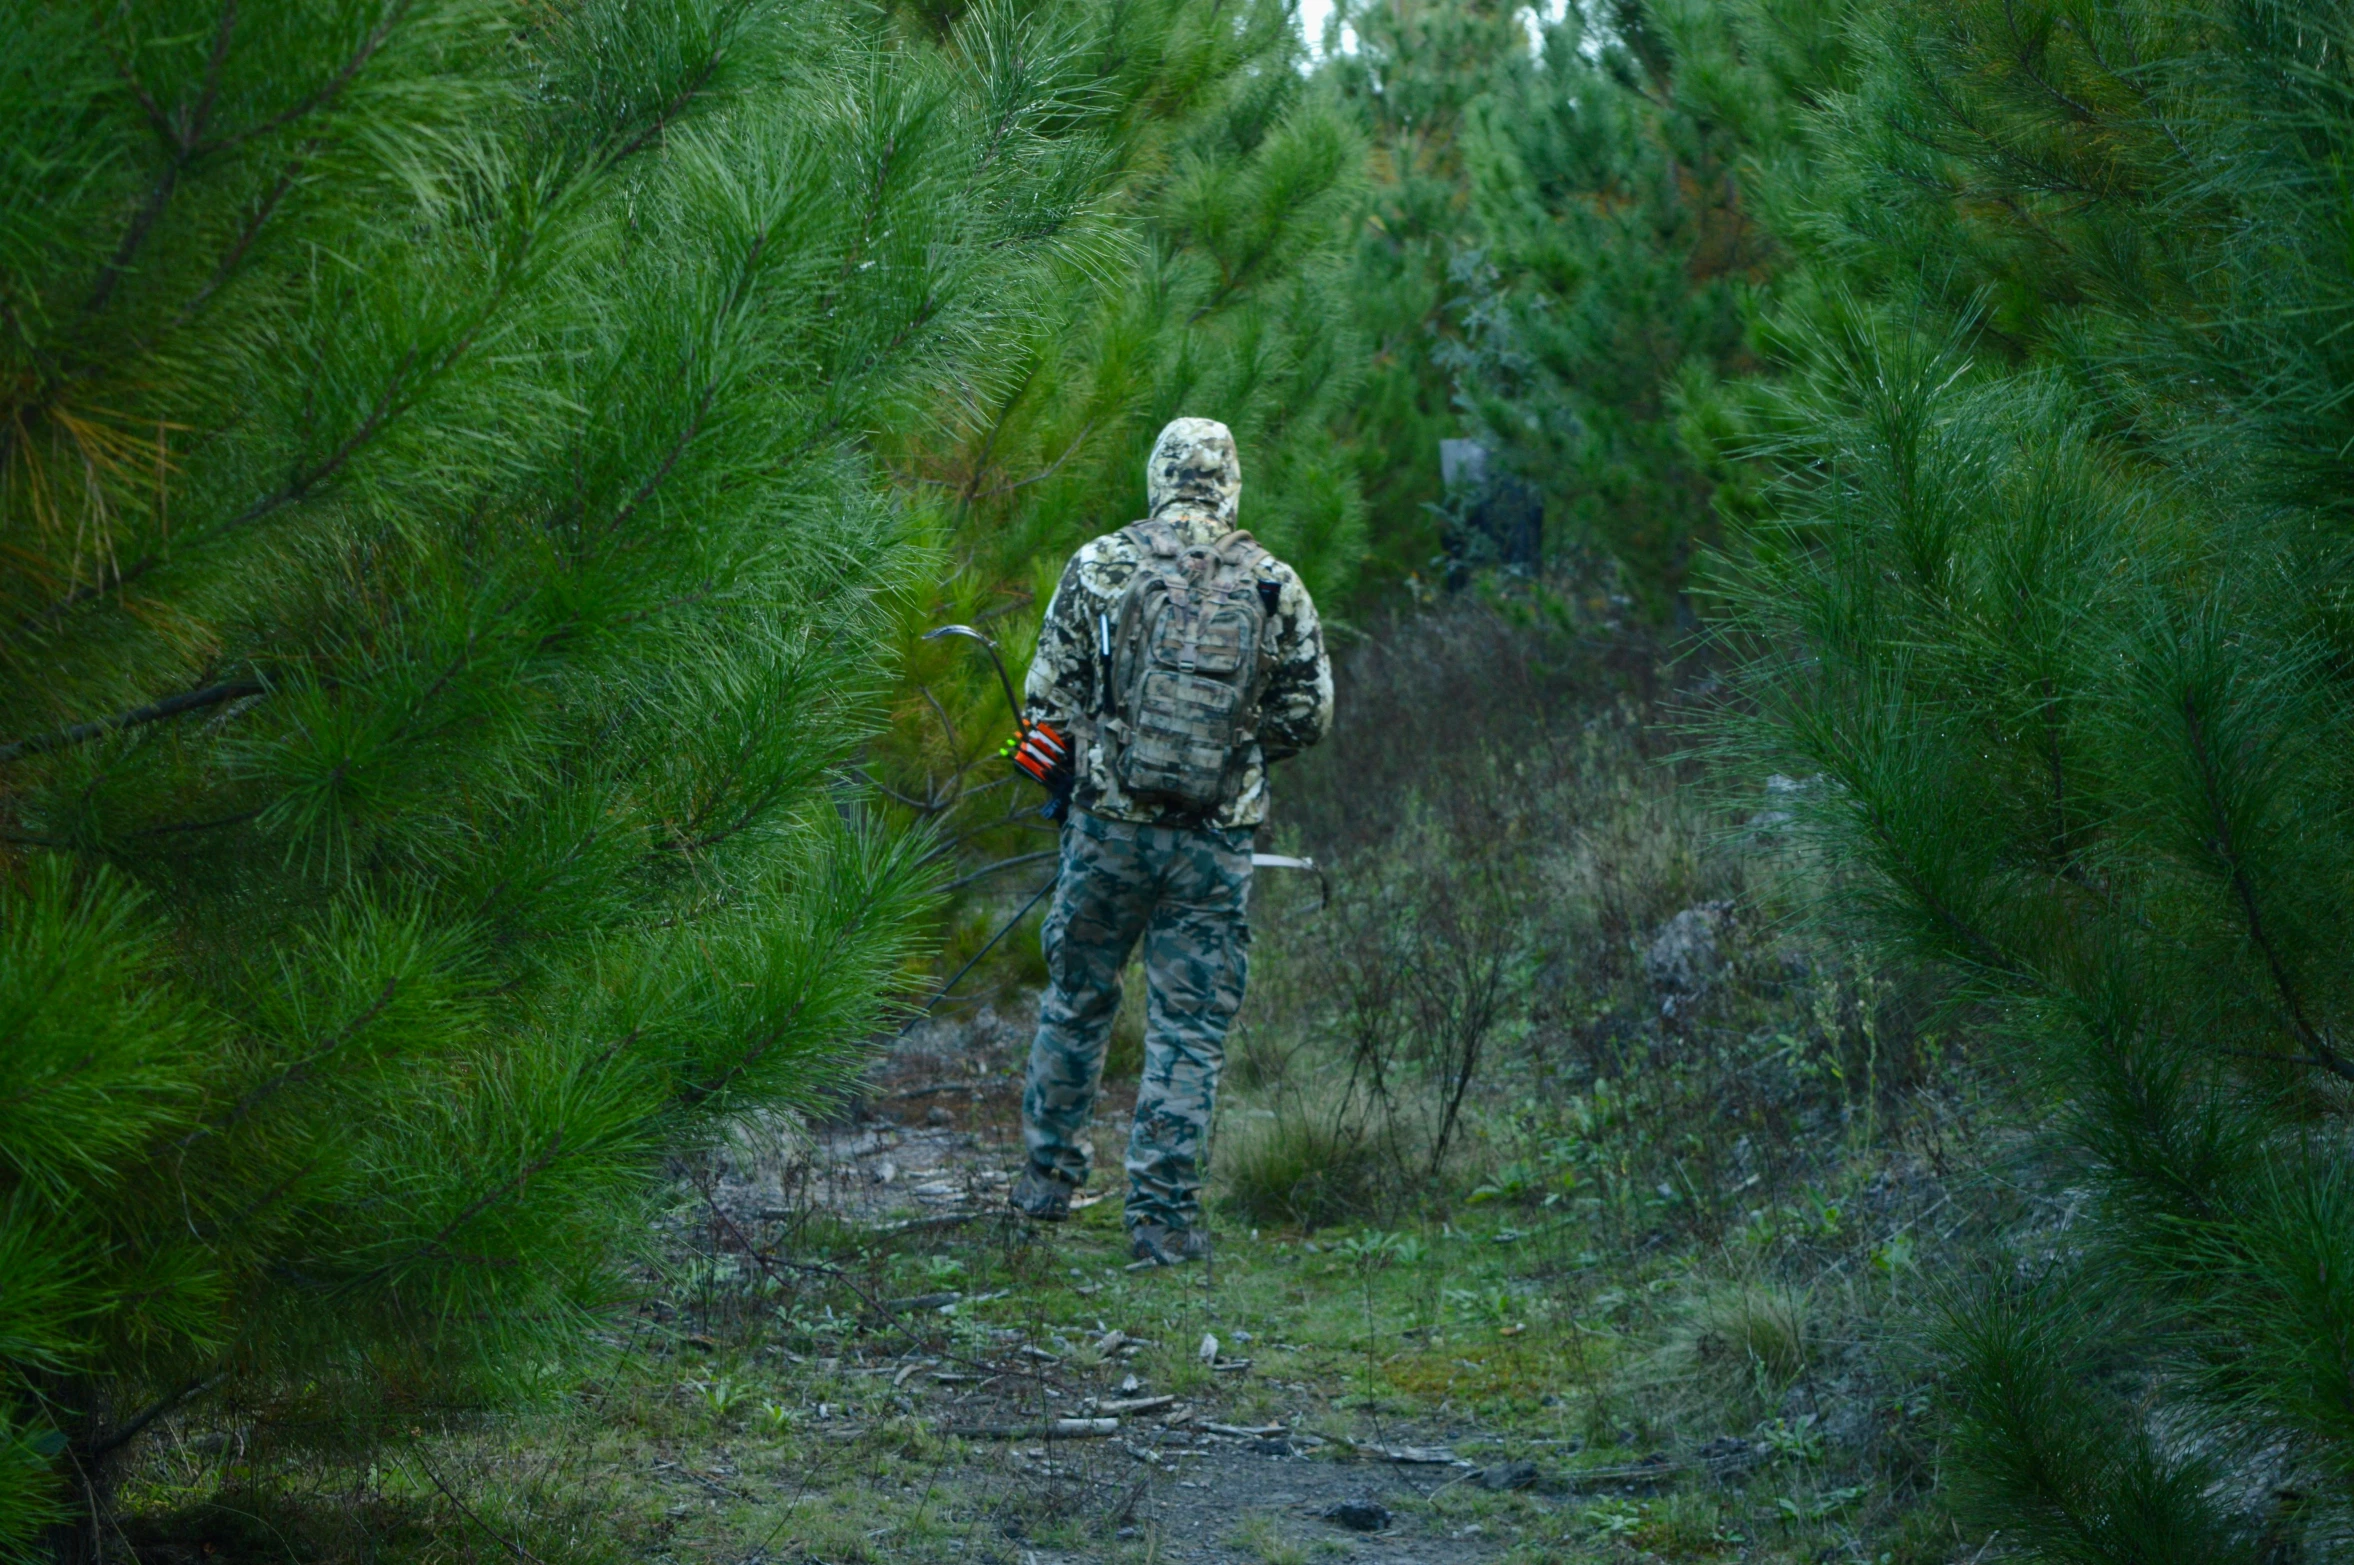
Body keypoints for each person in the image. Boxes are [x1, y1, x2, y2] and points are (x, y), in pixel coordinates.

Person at [1002, 417, 1333, 1265]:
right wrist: (1237, 756)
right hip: (1213, 839)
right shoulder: (1272, 581)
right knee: (1188, 1027)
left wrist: (1087, 770)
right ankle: (1161, 1220)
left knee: (1078, 996)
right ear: (1231, 482)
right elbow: (1311, 713)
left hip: (1109, 829)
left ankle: (1046, 1184)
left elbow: (1045, 702)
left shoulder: (1101, 564)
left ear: (1157, 475)